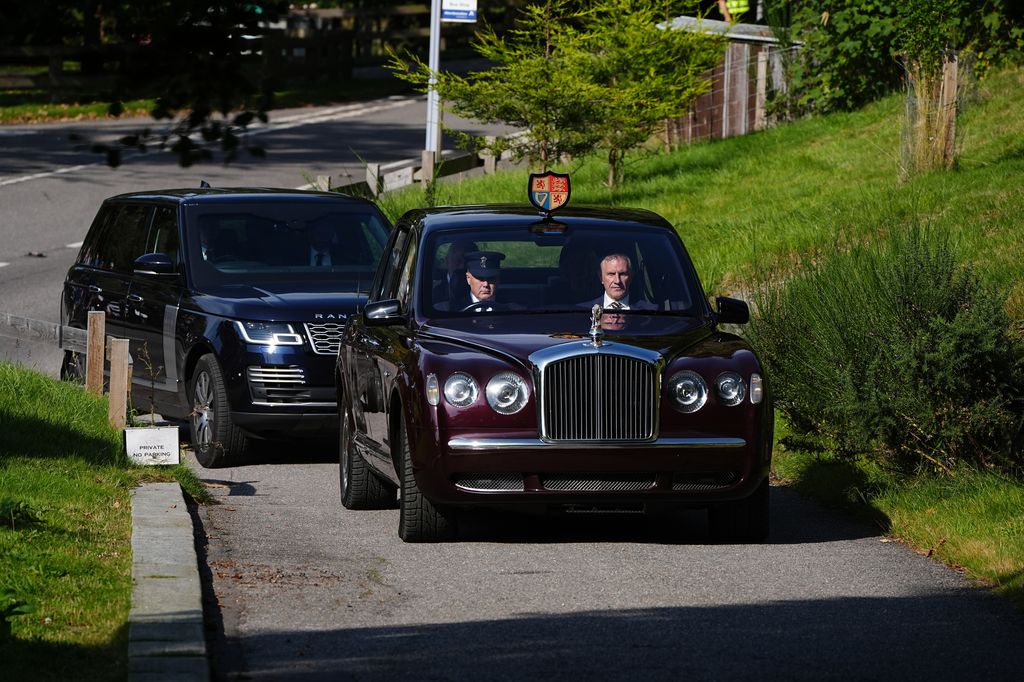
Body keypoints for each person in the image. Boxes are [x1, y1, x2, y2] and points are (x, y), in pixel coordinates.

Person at [580, 253, 656, 311]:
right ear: (601, 277)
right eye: (611, 274)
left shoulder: (651, 312)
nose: (617, 281)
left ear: (631, 276)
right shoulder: (582, 311)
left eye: (622, 274)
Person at [432, 239, 478, 305]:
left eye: (467, 263)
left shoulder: (488, 290)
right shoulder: (432, 293)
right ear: (447, 261)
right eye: (458, 261)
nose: (462, 267)